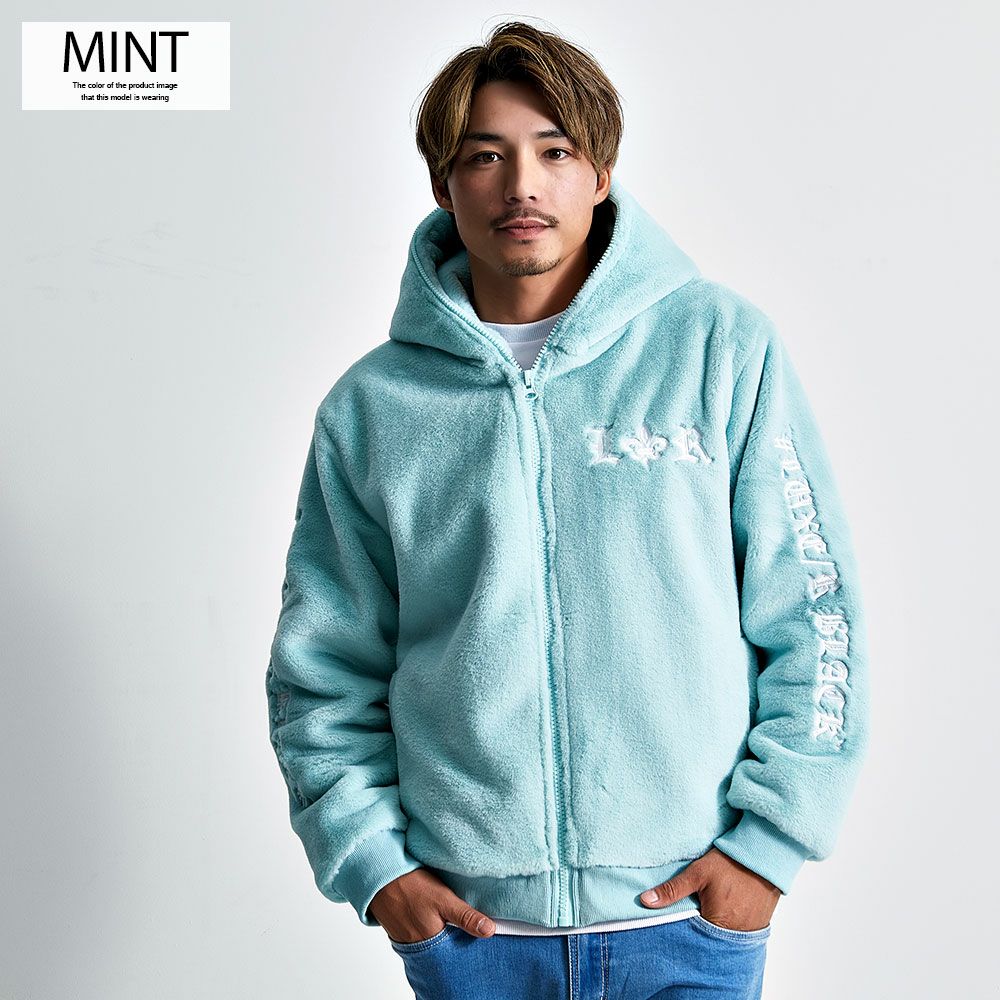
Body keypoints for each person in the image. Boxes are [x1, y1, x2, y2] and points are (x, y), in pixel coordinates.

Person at [265, 20, 870, 999]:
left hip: (686, 925)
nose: (522, 186)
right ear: (443, 185)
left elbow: (814, 612)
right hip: (475, 938)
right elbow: (319, 671)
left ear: (601, 173)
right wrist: (375, 867)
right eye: (485, 157)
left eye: (554, 152)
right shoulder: (373, 410)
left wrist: (768, 846)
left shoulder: (719, 349)